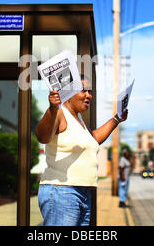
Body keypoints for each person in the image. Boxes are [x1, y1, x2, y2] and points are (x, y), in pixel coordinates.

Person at [35, 76, 128, 226]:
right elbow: (42, 136)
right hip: (62, 192)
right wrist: (52, 108)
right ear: (68, 93)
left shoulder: (78, 119)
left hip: (82, 192)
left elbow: (94, 138)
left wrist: (116, 119)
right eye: (83, 90)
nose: (89, 95)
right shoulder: (59, 113)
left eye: (90, 91)